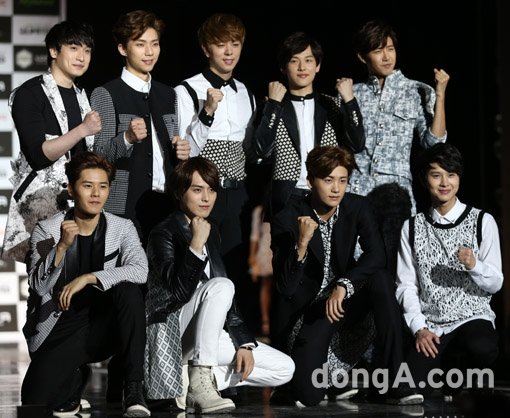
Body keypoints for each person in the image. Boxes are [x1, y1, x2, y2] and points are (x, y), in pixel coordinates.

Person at [270, 145, 423, 406]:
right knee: (309, 396)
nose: (336, 189)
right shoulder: (288, 217)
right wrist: (301, 245)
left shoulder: (357, 207)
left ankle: (396, 380)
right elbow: (286, 288)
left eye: (342, 181)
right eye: (328, 180)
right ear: (310, 181)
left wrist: (344, 284)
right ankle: (313, 378)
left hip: (344, 300)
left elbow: (377, 255)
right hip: (310, 311)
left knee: (381, 279)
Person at [144, 156, 295, 414]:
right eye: (197, 190)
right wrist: (195, 247)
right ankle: (200, 382)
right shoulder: (163, 233)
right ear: (180, 193)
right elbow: (177, 293)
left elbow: (224, 300)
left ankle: (195, 382)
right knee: (222, 285)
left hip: (205, 334)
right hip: (171, 331)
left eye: (212, 190)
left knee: (284, 369)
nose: (206, 198)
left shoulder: (211, 231)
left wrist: (243, 342)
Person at [20, 151, 150, 417]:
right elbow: (38, 287)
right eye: (88, 185)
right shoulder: (47, 229)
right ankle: (76, 376)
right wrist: (60, 248)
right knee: (34, 401)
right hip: (60, 327)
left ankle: (134, 389)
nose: (96, 194)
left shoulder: (122, 227)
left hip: (105, 326)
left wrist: (89, 277)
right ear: (71, 189)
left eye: (103, 186)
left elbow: (140, 271)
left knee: (129, 291)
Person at [395, 142, 503, 399]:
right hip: (433, 325)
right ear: (425, 179)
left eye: (451, 175)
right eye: (436, 175)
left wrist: (474, 265)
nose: (445, 183)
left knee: (482, 348)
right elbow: (406, 285)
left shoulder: (482, 221)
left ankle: (461, 372)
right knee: (407, 387)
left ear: (459, 178)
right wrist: (419, 328)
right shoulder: (412, 227)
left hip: (472, 317)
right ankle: (447, 370)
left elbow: (495, 282)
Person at [1, 21, 101, 263]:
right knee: (44, 279)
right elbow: (39, 154)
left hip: (80, 206)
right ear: (54, 51)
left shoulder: (83, 96)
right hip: (41, 206)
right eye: (74, 48)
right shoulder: (30, 93)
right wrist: (83, 129)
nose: (81, 57)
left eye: (87, 51)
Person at [91, 9, 190, 247]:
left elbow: (171, 149)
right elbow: (97, 158)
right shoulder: (106, 94)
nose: (149, 52)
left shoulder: (168, 95)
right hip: (125, 207)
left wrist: (181, 152)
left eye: (154, 44)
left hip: (168, 205)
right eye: (140, 44)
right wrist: (126, 138)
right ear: (123, 49)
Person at [174, 13, 256, 283]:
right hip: (204, 191)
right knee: (202, 268)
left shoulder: (246, 92)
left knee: (235, 269)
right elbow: (187, 152)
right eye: (221, 45)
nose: (229, 52)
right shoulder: (187, 89)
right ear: (206, 48)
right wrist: (207, 111)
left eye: (235, 44)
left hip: (239, 193)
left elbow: (248, 149)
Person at [255, 31, 365, 219]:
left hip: (327, 194)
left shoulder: (332, 105)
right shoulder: (274, 106)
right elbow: (262, 151)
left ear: (318, 65)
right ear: (283, 67)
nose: (302, 67)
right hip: (286, 197)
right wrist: (273, 105)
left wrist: (350, 101)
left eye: (308, 60)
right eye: (294, 61)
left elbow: (357, 144)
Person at [348, 19, 450, 214]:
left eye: (390, 49)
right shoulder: (352, 93)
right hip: (357, 191)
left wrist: (440, 96)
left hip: (397, 194)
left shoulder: (416, 91)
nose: (386, 57)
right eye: (378, 51)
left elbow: (434, 143)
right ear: (362, 57)